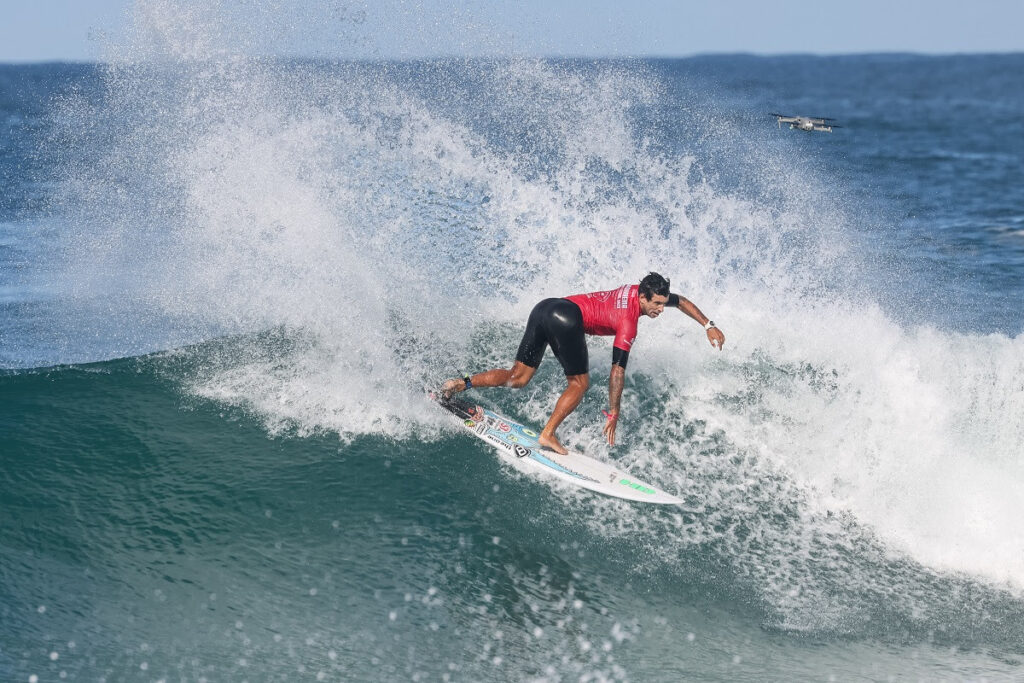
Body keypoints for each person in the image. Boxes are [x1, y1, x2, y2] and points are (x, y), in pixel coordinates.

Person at [441, 272, 725, 454]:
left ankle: (459, 384)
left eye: (663, 304)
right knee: (580, 383)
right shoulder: (628, 323)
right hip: (567, 318)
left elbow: (681, 301)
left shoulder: (637, 290)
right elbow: (617, 371)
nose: (661, 310)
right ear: (642, 297)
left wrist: (707, 325)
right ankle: (548, 434)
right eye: (657, 305)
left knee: (518, 377)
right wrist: (614, 412)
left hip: (545, 307)